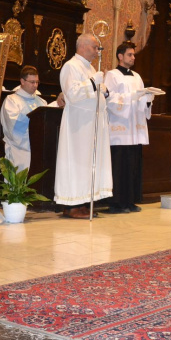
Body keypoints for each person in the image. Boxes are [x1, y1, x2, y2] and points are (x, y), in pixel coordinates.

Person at [54, 33, 112, 219]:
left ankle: (83, 202)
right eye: (95, 47)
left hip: (90, 125)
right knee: (76, 162)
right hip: (78, 126)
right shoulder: (71, 66)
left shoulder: (89, 68)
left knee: (87, 163)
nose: (97, 52)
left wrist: (102, 90)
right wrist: (94, 83)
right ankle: (72, 205)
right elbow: (72, 94)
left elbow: (93, 90)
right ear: (83, 46)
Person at [103, 42, 153, 213]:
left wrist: (147, 98)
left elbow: (141, 101)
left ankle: (130, 201)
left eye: (133, 55)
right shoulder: (112, 75)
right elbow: (110, 99)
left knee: (132, 165)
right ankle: (116, 203)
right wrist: (133, 96)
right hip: (120, 128)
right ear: (120, 56)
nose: (133, 57)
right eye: (130, 54)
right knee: (119, 165)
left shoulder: (137, 77)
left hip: (134, 128)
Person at [0, 66, 64, 172]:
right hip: (19, 151)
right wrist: (34, 119)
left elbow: (45, 117)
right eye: (32, 82)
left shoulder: (41, 102)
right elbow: (14, 124)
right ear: (22, 81)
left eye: (37, 82)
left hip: (38, 152)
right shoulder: (12, 100)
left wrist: (57, 104)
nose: (35, 85)